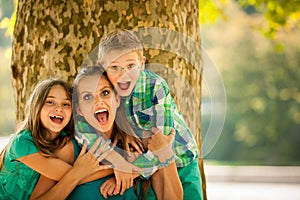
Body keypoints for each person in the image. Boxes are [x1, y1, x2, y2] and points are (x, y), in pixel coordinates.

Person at [97, 29, 203, 200]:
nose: (124, 75)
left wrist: (129, 172)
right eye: (115, 67)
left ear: (143, 63)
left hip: (182, 159)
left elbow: (164, 141)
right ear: (102, 67)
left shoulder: (155, 87)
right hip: (150, 169)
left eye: (131, 66)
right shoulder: (106, 90)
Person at [71, 66, 181, 199]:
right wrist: (118, 165)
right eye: (87, 97)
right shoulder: (72, 149)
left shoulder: (141, 144)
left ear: (117, 99)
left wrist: (164, 153)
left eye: (105, 93)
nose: (98, 102)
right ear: (78, 109)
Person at [0, 78, 111, 199]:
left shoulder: (65, 139)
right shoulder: (22, 143)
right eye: (50, 102)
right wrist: (121, 170)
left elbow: (78, 174)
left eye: (66, 104)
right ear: (36, 107)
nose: (59, 108)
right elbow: (74, 175)